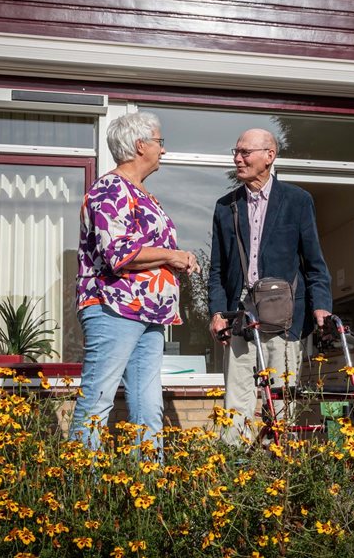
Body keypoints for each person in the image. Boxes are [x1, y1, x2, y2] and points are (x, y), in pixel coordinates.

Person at [70, 111, 199, 454]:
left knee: (148, 406)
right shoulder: (110, 188)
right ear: (140, 145)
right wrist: (171, 256)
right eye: (160, 142)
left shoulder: (144, 194)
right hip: (114, 308)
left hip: (149, 313)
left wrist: (177, 257)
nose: (164, 150)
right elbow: (116, 252)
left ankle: (147, 491)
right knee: (97, 400)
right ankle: (78, 490)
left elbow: (149, 248)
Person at [208, 128, 332, 446]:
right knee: (236, 405)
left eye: (245, 152)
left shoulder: (298, 201)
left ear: (269, 156)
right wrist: (216, 312)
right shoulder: (226, 207)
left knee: (280, 406)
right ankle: (235, 477)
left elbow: (314, 262)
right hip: (240, 318)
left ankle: (275, 477)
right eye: (235, 151)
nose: (237, 158)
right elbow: (218, 270)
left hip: (285, 320)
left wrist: (322, 307)